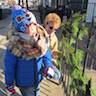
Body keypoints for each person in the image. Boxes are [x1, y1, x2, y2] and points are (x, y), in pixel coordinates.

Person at [4, 5, 60, 96]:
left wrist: (48, 65)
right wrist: (9, 84)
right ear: (21, 30)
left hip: (37, 78)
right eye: (27, 26)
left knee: (36, 92)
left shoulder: (41, 37)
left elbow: (46, 53)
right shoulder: (14, 45)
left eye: (33, 24)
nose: (32, 28)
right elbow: (9, 66)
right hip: (24, 82)